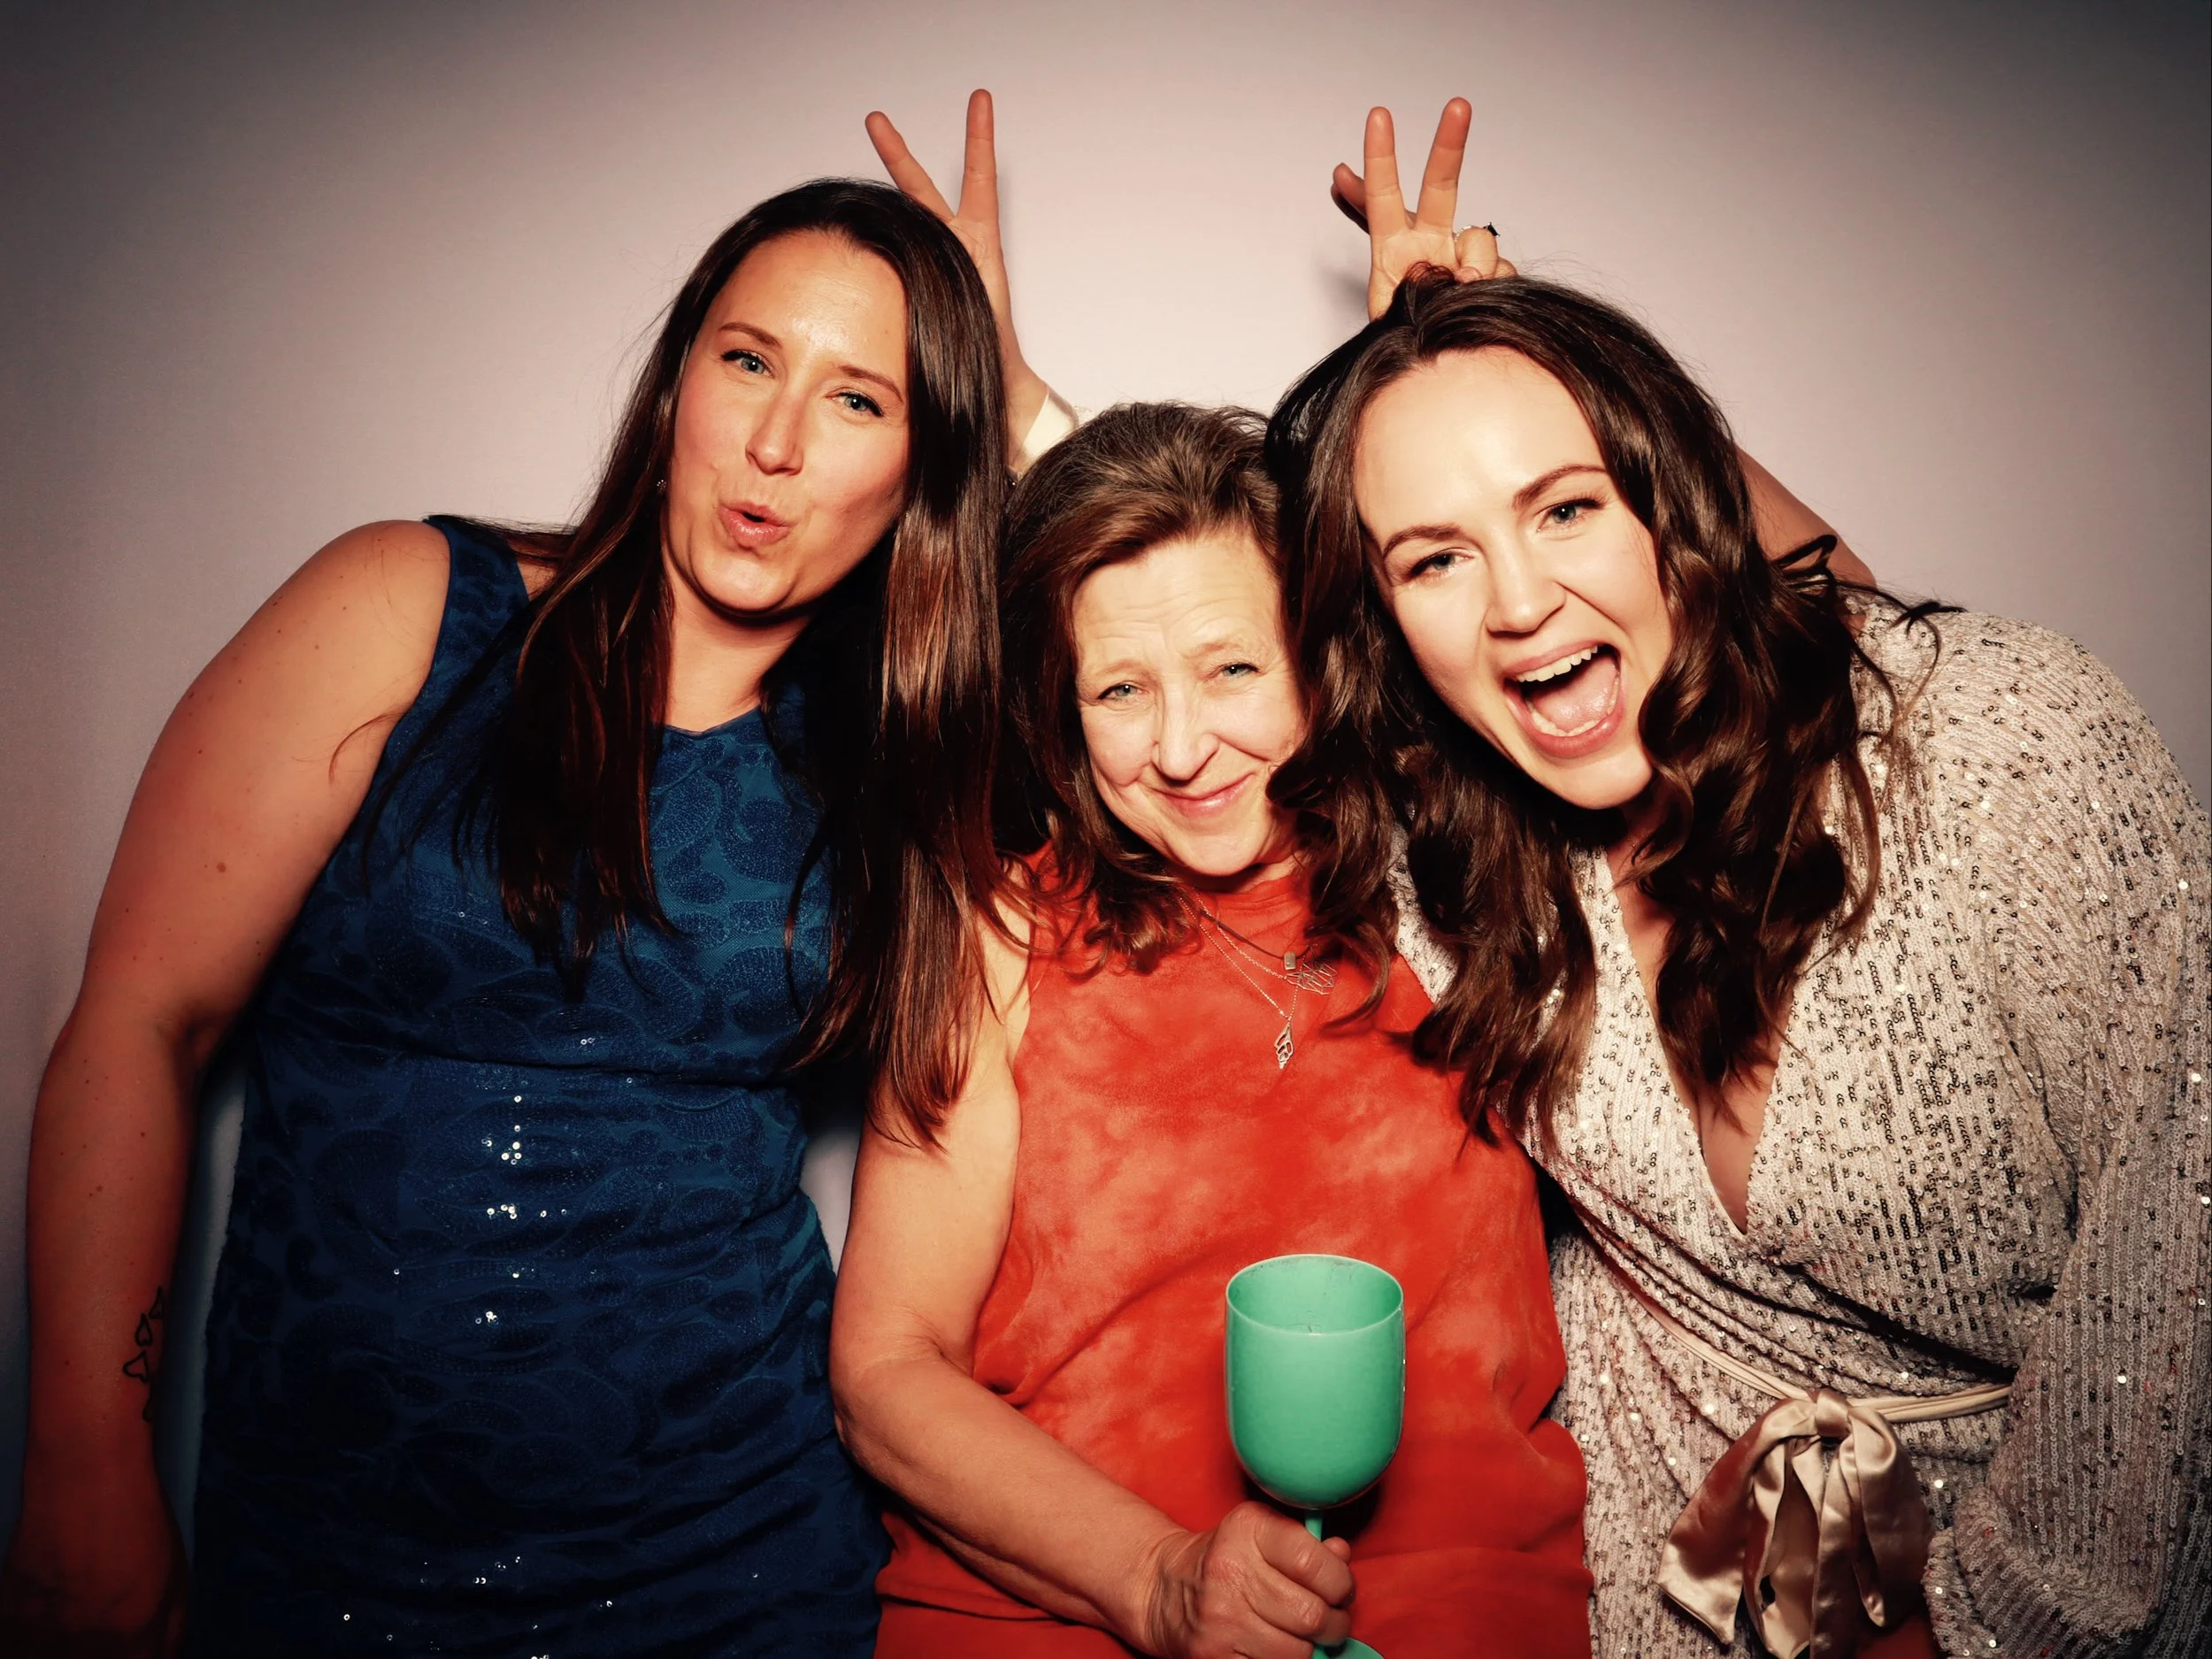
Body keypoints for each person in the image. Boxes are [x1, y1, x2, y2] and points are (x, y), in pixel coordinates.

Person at [0, 131, 1056, 1655]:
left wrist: (1021, 418)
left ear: (921, 464)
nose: (775, 442)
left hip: (737, 1565)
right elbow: (140, 1022)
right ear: (678, 377)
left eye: (859, 400)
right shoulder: (405, 610)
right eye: (748, 359)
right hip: (322, 1555)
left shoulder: (904, 770)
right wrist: (83, 1459)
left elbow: (1189, 691)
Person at [1271, 268, 2211, 1656]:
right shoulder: (1463, 867)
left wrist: (1960, 1632)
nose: (1520, 601)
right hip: (1642, 1588)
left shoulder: (2007, 749)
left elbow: (2177, 1248)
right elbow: (1181, 683)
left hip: (2037, 1600)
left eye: (1567, 504)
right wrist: (986, 412)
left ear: (1675, 498)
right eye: (1434, 555)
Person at [829, 401, 1595, 1659]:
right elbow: (885, 1371)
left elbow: (1798, 655)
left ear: (1318, 650)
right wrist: (1161, 1578)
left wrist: (1511, 372)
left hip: (1454, 1610)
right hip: (1060, 1612)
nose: (1182, 749)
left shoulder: (1472, 877)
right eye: (1121, 690)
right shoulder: (1003, 935)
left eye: (1232, 668)